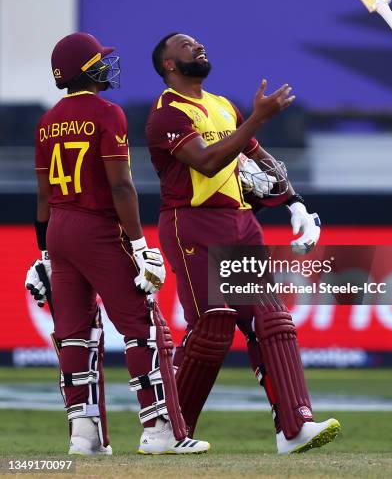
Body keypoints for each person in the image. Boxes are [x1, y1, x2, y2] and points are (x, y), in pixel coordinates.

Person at [145, 32, 341, 454]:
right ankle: (164, 431)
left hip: (240, 222)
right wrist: (257, 117)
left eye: (198, 43)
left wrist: (296, 204)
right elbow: (208, 160)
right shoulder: (167, 115)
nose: (197, 47)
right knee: (212, 325)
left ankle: (294, 428)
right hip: (192, 223)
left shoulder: (222, 106)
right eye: (185, 46)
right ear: (169, 66)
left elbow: (256, 155)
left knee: (271, 321)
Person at [25, 32, 209, 456]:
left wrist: (44, 255)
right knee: (144, 328)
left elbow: (42, 196)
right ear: (84, 69)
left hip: (58, 229)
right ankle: (161, 431)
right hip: (97, 227)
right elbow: (121, 185)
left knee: (74, 334)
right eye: (99, 61)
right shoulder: (107, 113)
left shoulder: (47, 121)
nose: (107, 65)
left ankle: (83, 436)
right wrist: (141, 244)